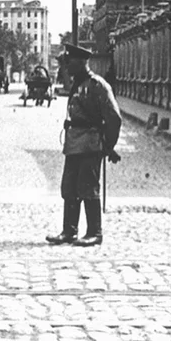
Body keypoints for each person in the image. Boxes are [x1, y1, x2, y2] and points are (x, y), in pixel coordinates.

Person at [46, 44, 122, 247]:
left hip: (90, 143)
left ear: (80, 62)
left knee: (88, 187)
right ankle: (69, 231)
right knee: (69, 187)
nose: (67, 66)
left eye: (69, 62)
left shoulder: (97, 85)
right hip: (74, 143)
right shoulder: (78, 83)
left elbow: (114, 118)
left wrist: (107, 145)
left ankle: (95, 232)